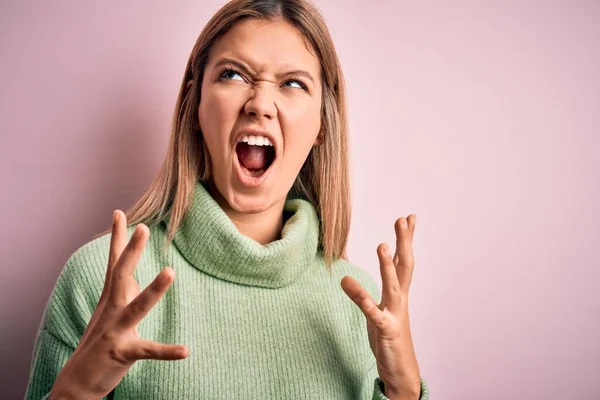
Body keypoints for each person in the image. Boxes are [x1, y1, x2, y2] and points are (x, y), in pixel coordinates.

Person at [25, 0, 429, 398]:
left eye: (293, 83)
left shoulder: (360, 302)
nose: (259, 105)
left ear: (322, 124)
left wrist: (405, 390)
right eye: (234, 75)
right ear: (194, 106)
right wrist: (77, 389)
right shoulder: (103, 280)